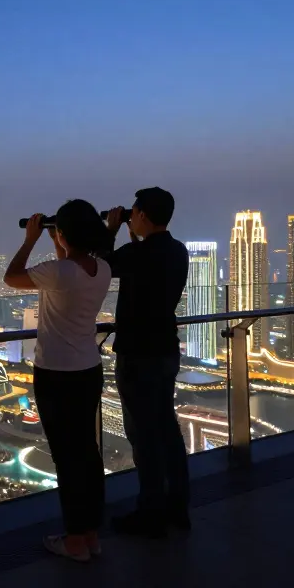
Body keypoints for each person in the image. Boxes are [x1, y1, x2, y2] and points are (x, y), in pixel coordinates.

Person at [4, 199, 114, 562]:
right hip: (87, 370)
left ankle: (75, 541)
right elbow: (70, 267)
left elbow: (11, 276)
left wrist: (31, 239)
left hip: (56, 374)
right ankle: (91, 533)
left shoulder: (60, 272)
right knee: (85, 452)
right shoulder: (101, 268)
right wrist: (59, 241)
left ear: (64, 234)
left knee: (67, 459)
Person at [104, 187, 190, 537]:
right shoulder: (177, 251)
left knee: (143, 435)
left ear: (141, 215)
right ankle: (177, 508)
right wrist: (131, 236)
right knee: (167, 431)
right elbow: (139, 262)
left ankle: (150, 513)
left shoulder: (135, 254)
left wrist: (110, 229)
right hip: (166, 350)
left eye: (134, 212)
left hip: (137, 354)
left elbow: (101, 266)